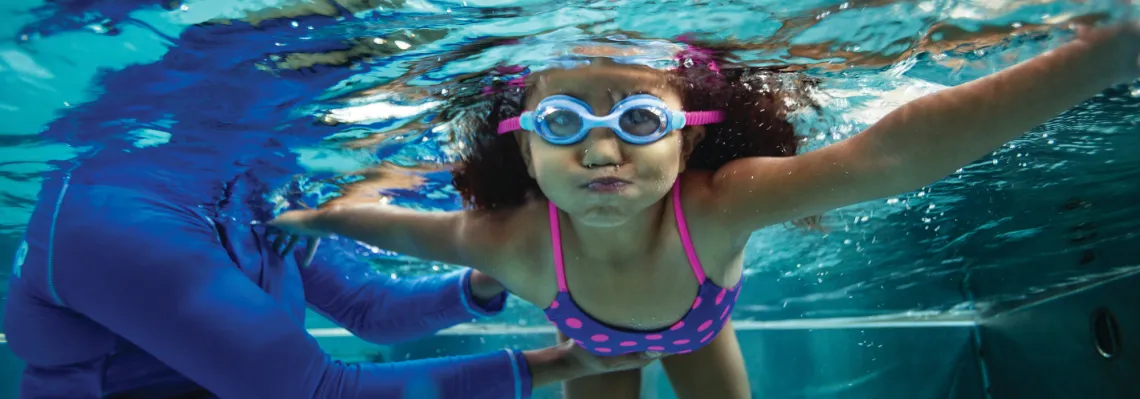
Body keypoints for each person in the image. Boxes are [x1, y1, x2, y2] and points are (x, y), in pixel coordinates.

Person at [270, 18, 1140, 399]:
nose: (601, 152)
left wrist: (1103, 57)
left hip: (697, 330)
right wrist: (316, 220)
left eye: (640, 120)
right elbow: (403, 228)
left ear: (688, 140)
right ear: (524, 148)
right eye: (565, 123)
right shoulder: (520, 242)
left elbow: (887, 153)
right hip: (590, 349)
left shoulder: (716, 205)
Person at [3, 8, 661, 399]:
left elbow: (365, 308)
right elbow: (315, 391)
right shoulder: (113, 209)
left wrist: (494, 273)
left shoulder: (249, 187)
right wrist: (559, 364)